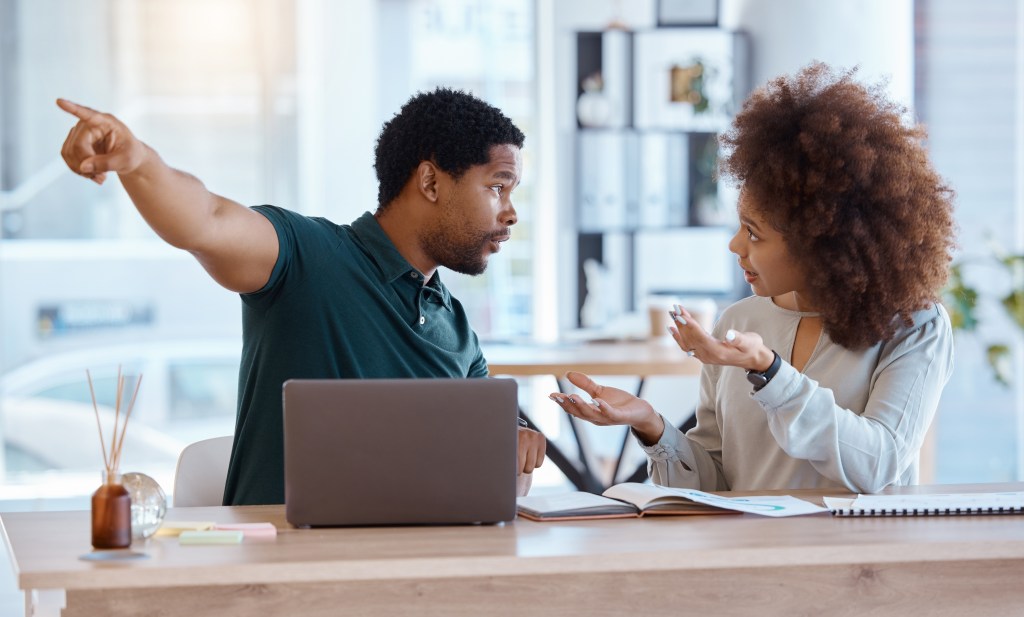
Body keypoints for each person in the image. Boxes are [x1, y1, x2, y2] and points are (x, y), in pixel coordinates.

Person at [57, 88, 546, 505]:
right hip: (278, 578)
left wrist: (516, 441)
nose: (510, 214)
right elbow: (204, 220)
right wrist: (139, 162)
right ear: (431, 182)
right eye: (498, 187)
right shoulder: (306, 255)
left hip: (409, 575)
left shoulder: (457, 329)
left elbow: (494, 450)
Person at [550, 62, 956, 494]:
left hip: (858, 559)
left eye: (754, 233)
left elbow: (879, 465)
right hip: (750, 557)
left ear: (821, 239)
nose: (735, 246)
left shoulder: (915, 327)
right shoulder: (737, 323)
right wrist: (651, 426)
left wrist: (769, 371)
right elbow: (716, 482)